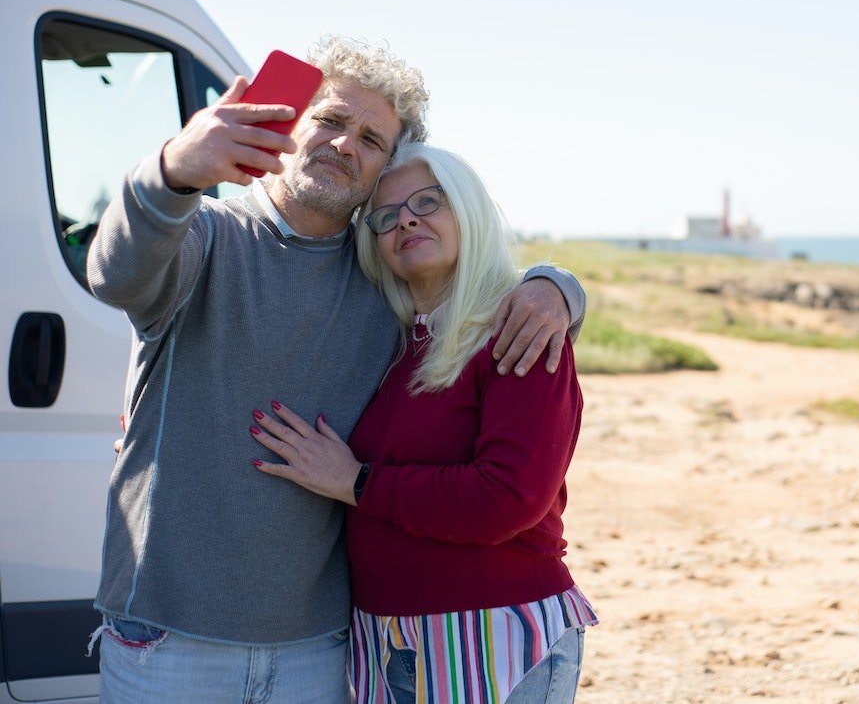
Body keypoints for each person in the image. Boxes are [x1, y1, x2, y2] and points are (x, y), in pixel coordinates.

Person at [86, 37, 585, 704]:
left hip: (318, 648)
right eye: (330, 120)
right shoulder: (205, 240)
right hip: (171, 636)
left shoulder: (385, 284)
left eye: (371, 138)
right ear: (291, 124)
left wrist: (556, 287)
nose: (345, 143)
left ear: (383, 170)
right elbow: (114, 272)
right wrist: (174, 170)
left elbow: (467, 289)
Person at [248, 142, 596, 704]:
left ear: (468, 210)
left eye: (428, 201)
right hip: (387, 640)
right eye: (385, 217)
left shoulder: (517, 329)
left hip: (491, 634)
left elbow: (506, 498)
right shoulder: (389, 340)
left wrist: (356, 482)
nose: (406, 218)